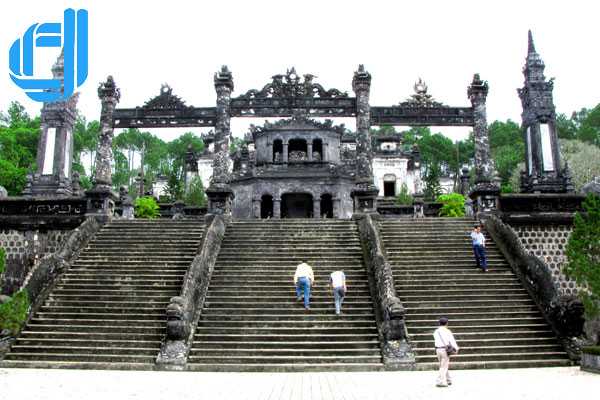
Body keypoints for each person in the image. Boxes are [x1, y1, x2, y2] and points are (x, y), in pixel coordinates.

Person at [433, 317, 459, 387]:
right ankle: (440, 381)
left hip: (438, 349)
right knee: (443, 366)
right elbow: (452, 340)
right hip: (445, 350)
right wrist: (456, 348)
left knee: (443, 365)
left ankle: (448, 379)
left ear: (439, 323)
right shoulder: (447, 331)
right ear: (447, 323)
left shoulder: (436, 331)